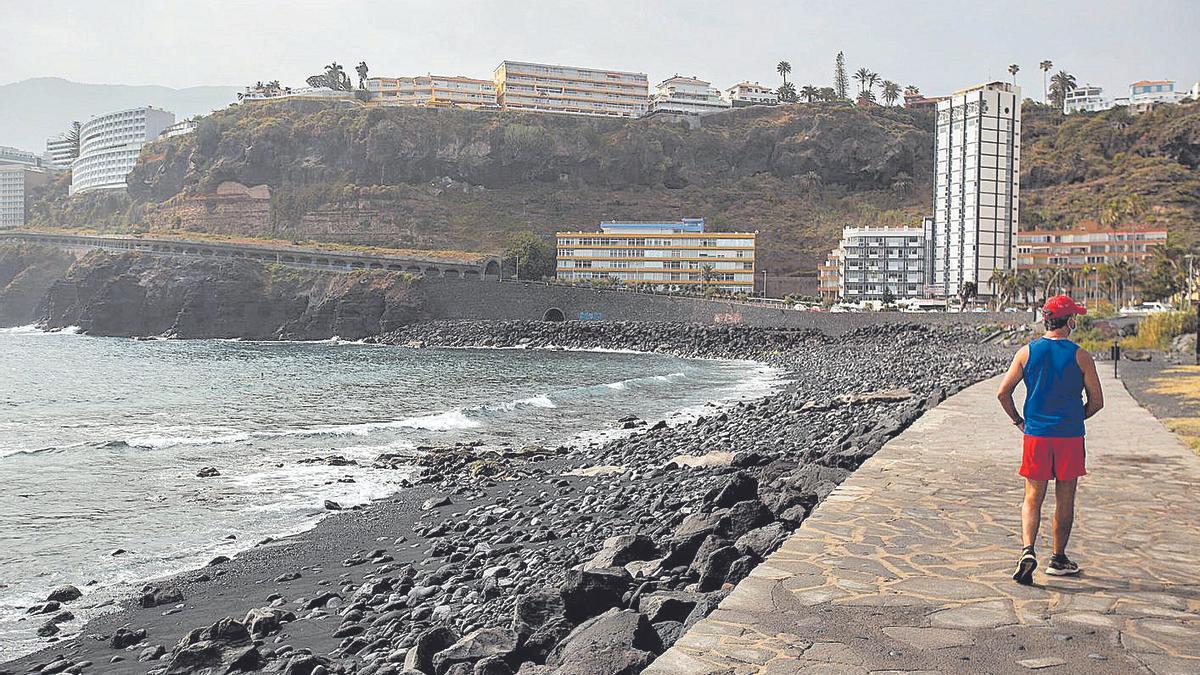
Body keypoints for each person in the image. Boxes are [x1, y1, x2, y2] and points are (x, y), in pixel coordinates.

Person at [996, 295, 1104, 585]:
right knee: (1064, 498)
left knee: (1032, 498)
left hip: (1036, 436)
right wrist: (1074, 417)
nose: (1076, 322)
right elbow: (1097, 401)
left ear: (1045, 320)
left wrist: (1019, 421)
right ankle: (1058, 558)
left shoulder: (1026, 353)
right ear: (1069, 321)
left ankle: (1028, 550)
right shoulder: (1081, 355)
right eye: (1075, 318)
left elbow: (1002, 393)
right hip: (1069, 437)